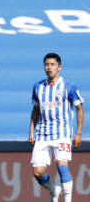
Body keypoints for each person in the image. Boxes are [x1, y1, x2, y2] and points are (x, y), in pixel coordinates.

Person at [29, 53, 84, 202]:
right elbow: (35, 110)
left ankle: (68, 199)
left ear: (59, 67)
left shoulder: (69, 86)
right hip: (42, 133)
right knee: (38, 172)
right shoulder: (38, 87)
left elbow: (79, 108)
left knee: (62, 166)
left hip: (62, 133)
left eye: (52, 65)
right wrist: (31, 131)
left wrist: (78, 133)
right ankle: (54, 189)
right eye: (46, 64)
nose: (49, 68)